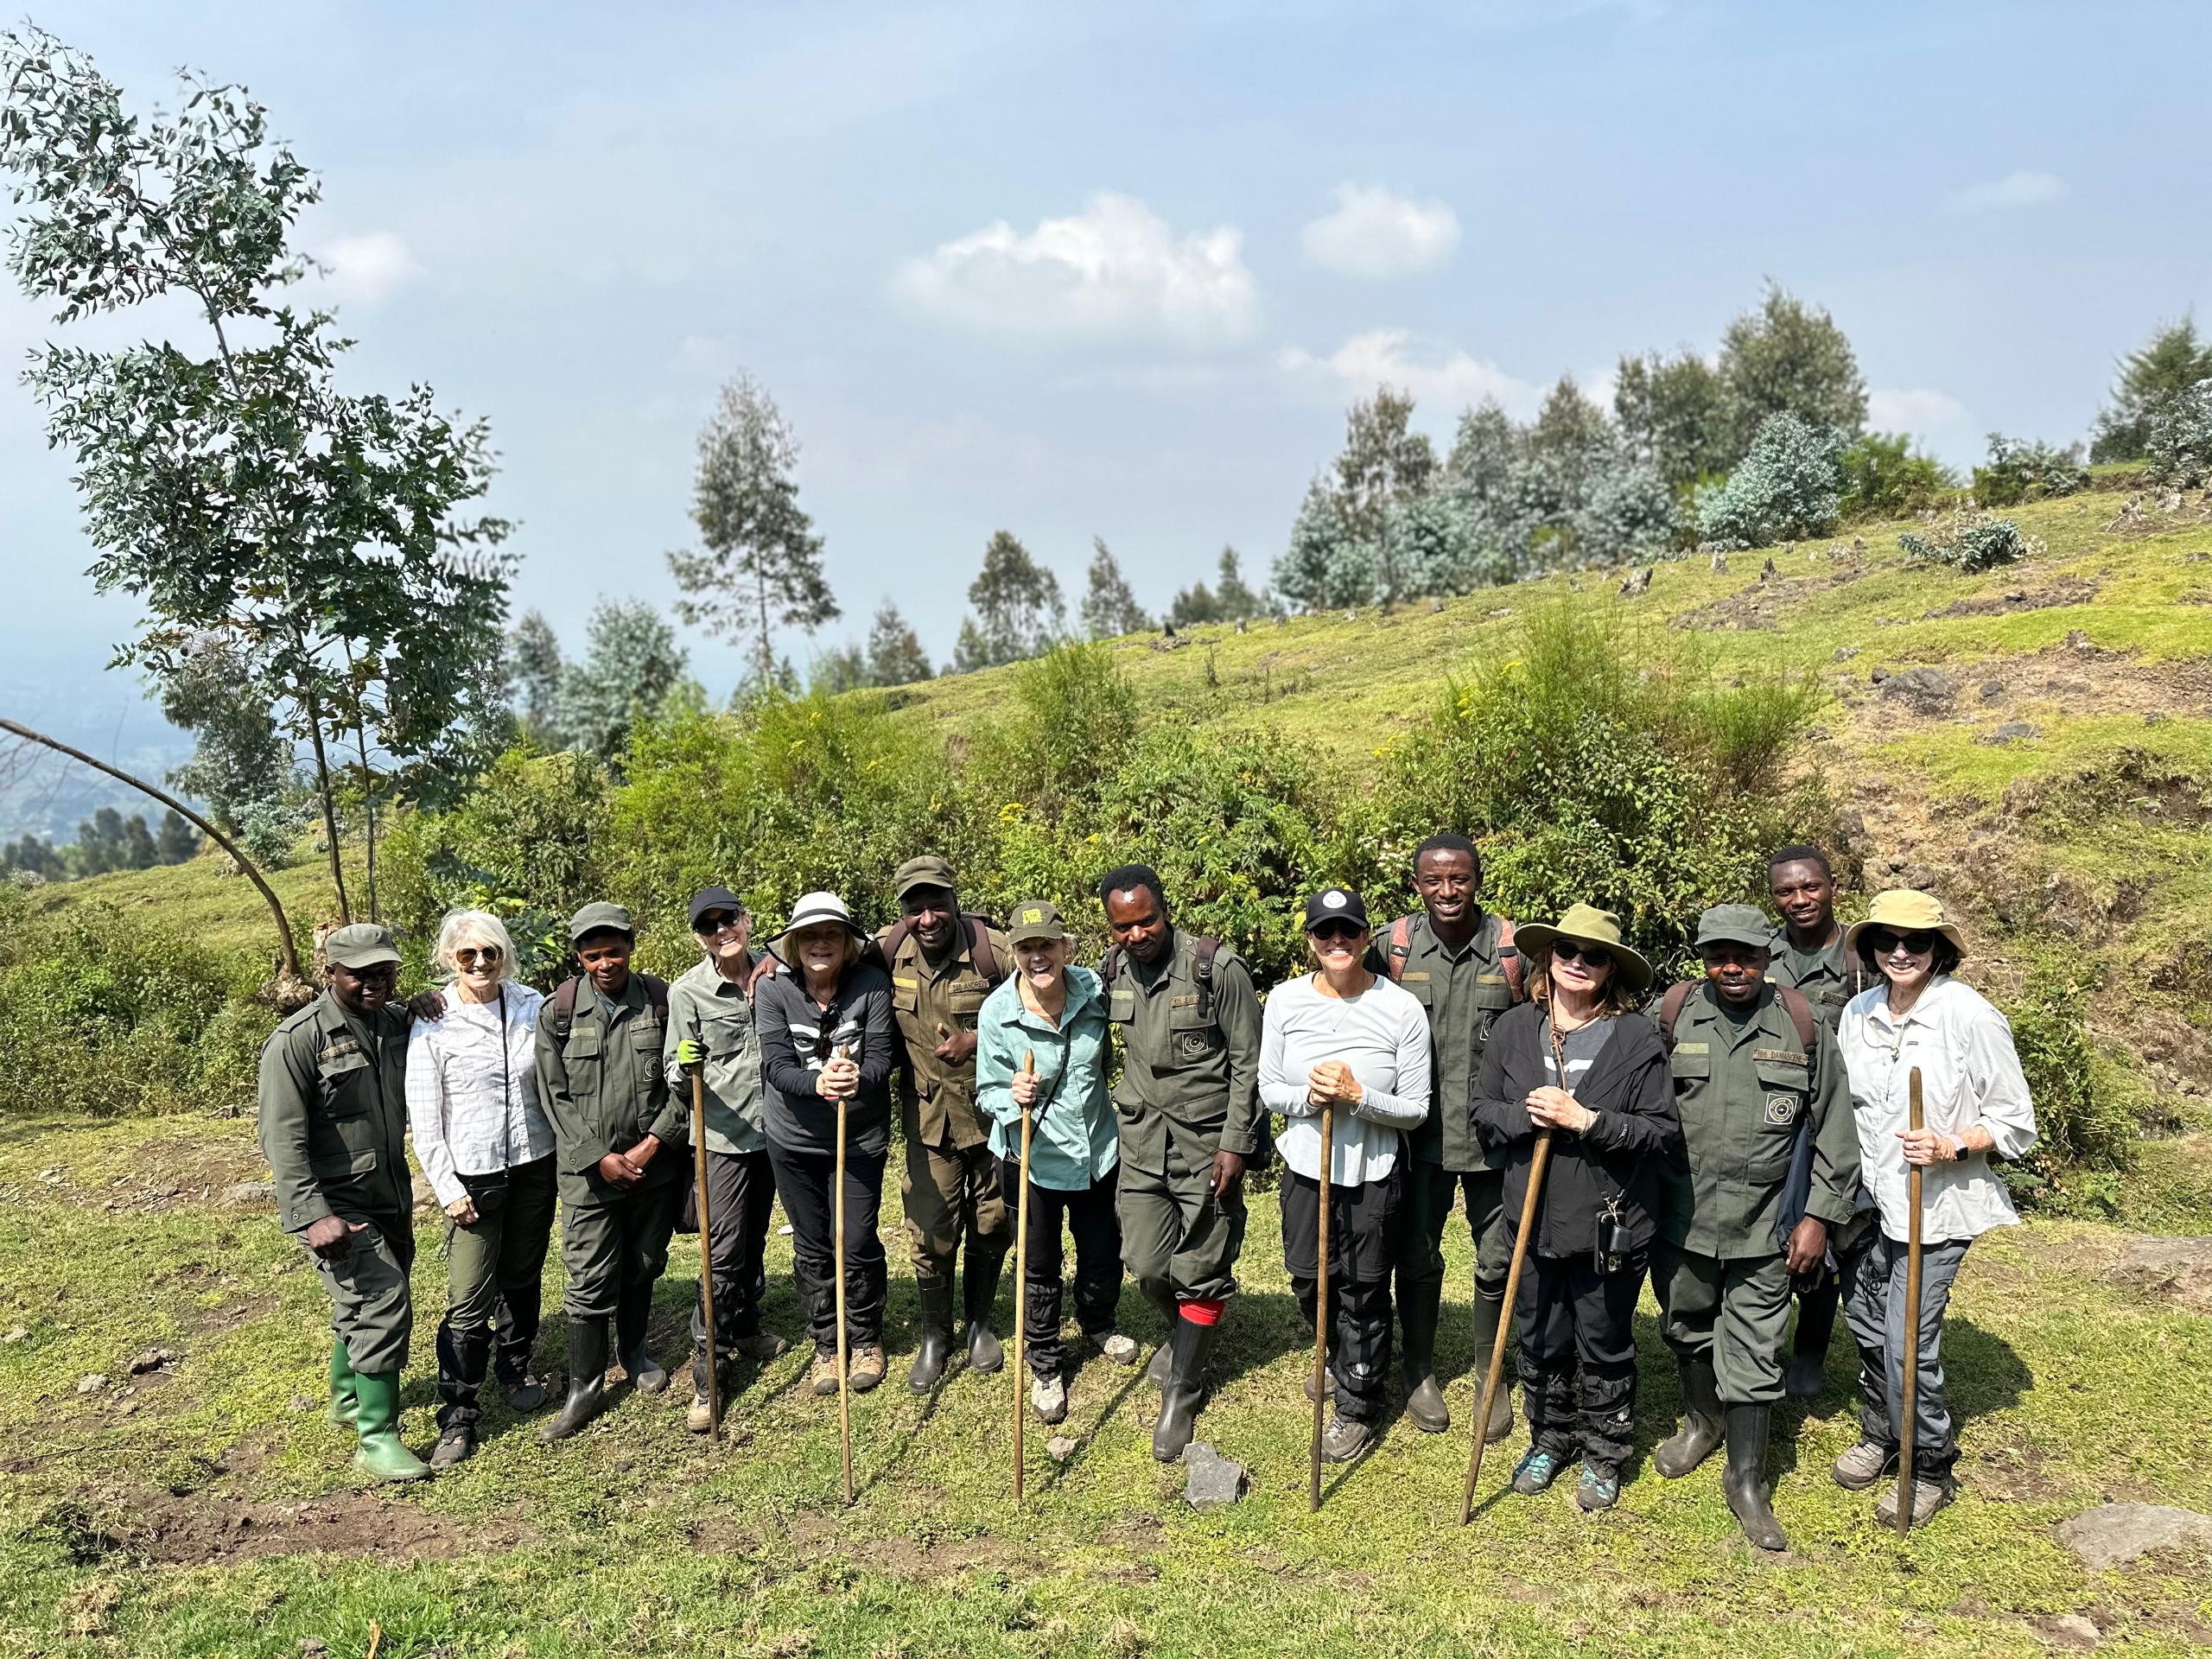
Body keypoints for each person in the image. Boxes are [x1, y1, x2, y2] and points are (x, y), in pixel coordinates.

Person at [1649, 904, 1860, 1550]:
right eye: (1718, 956)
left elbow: (1835, 1132)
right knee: (1684, 1325)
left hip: (1766, 1226)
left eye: (1744, 955)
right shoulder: (1675, 1013)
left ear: (1768, 956)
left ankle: (1747, 1482)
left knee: (1755, 1351)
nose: (1731, 967)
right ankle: (1701, 1424)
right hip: (1682, 1220)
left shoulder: (1803, 1024)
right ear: (1704, 959)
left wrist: (1820, 1216)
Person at [1833, 890, 2036, 1530]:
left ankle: (1929, 1464)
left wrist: (1952, 1143)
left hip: (1936, 1207)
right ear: (1870, 947)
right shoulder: (1859, 1012)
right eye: (1887, 940)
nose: (1899, 952)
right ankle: (1882, 1431)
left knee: (1904, 1343)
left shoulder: (1970, 1016)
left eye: (1915, 942)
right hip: (1869, 1203)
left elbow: (2015, 1122)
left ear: (1937, 949)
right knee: (1866, 1325)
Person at [1472, 904, 1677, 1513]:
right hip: (1531, 1219)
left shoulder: (1637, 1038)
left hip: (1607, 1224)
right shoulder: (1513, 1028)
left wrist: (1587, 1121)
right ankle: (1549, 1438)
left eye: (1594, 956)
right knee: (1539, 1335)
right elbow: (1482, 1112)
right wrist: (1525, 1115)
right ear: (1548, 959)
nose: (1578, 964)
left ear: (1612, 969)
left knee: (1603, 1338)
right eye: (1567, 952)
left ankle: (1604, 1452)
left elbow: (1661, 1131)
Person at [1260, 887, 1431, 1464]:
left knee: (1361, 1285)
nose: (1338, 942)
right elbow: (1269, 1088)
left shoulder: (1401, 1008)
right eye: (1325, 932)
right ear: (1310, 940)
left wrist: (1358, 1097)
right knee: (1309, 1276)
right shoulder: (1283, 1003)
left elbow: (1416, 1109)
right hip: (1309, 1164)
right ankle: (1338, 1354)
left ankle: (1359, 1400)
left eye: (1349, 932)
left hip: (1373, 1170)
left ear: (1367, 938)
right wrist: (1312, 1095)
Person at [1098, 865, 1263, 1462]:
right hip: (1142, 1141)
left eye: (1146, 920)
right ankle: (1188, 1330)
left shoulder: (1216, 968)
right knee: (1143, 1262)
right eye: (1123, 926)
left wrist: (1235, 1143)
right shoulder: (1113, 971)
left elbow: (1250, 1061)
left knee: (1201, 1262)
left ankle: (1183, 1387)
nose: (1137, 934)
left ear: (1165, 910)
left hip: (1205, 1143)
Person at [257, 922, 429, 1483]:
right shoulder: (297, 1041)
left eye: (385, 971)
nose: (375, 983)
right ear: (330, 973)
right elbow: (281, 1139)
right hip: (338, 1204)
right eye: (360, 973)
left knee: (363, 1300)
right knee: (382, 1302)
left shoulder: (394, 1023)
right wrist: (313, 1215)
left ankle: (347, 1399)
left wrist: (427, 1003)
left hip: (390, 1191)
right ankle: (377, 1437)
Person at [1369, 833, 1524, 1440]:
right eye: (1433, 880)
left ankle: (1492, 1373)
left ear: (1477, 880)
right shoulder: (1393, 946)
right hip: (1418, 1139)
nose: (1447, 891)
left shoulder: (1513, 949)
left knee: (1499, 1259)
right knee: (1416, 1257)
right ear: (1417, 885)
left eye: (1458, 878)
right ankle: (1419, 1370)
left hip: (1493, 1140)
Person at [405, 909, 557, 1469]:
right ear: (450, 958)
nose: (480, 963)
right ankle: (458, 1413)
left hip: (534, 1162)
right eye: (468, 955)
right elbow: (425, 1118)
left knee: (522, 1277)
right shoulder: (433, 1020)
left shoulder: (530, 1005)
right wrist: (446, 1187)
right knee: (469, 1299)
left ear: (504, 955)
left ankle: (515, 1370)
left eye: (490, 952)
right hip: (473, 1173)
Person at [535, 903, 689, 1442]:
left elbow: (682, 1082)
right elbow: (553, 1095)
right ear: (579, 957)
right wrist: (599, 1156)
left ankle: (636, 1352)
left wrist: (652, 1146)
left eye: (614, 951)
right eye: (593, 954)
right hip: (589, 1176)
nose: (606, 963)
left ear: (630, 946)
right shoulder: (559, 1010)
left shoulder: (663, 1000)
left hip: (654, 1170)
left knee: (644, 1262)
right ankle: (586, 1386)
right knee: (590, 1277)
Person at [975, 900, 1126, 1424]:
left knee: (1102, 1248)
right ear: (1013, 953)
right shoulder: (997, 1012)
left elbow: (1106, 1063)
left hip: (1096, 1152)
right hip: (1031, 1158)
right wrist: (1009, 1092)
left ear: (1066, 947)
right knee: (1038, 1264)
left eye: (1046, 945)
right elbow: (986, 1089)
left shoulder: (1094, 993)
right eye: (1025, 948)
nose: (1037, 957)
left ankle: (1099, 1322)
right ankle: (1044, 1364)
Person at [877, 856, 1014, 1392]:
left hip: (991, 1116)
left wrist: (976, 1042)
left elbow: (1042, 1007)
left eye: (937, 904)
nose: (928, 918)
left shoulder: (993, 953)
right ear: (904, 912)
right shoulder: (887, 951)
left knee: (992, 1221)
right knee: (931, 1229)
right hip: (927, 1120)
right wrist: (771, 960)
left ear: (955, 902)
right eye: (916, 908)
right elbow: (824, 960)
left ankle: (980, 1322)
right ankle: (937, 1334)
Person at [758, 891, 897, 1397]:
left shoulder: (871, 985)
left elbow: (884, 1056)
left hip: (858, 1136)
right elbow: (774, 1062)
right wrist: (816, 1084)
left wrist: (858, 1078)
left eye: (831, 935)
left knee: (855, 1239)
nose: (821, 944)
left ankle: (864, 1337)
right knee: (812, 1243)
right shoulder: (774, 990)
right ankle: (826, 1343)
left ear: (846, 943)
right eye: (810, 936)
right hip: (792, 1138)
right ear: (794, 945)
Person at [666, 887, 789, 1435]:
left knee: (755, 1241)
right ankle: (707, 1373)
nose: (723, 930)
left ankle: (745, 1327)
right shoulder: (688, 992)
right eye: (710, 925)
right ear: (699, 936)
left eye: (730, 919)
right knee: (723, 1250)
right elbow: (675, 1066)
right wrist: (681, 1063)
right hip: (723, 1141)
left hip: (778, 1134)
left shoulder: (777, 971)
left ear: (746, 919)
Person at [1764, 843, 1873, 1399]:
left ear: (1833, 887)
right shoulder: (1761, 955)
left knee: (1826, 1232)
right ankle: (1762, 1342)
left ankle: (1810, 1348)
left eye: (1810, 887)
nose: (1799, 899)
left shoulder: (1862, 961)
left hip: (1834, 1119)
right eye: (1786, 890)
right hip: (1771, 1120)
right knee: (1770, 1233)